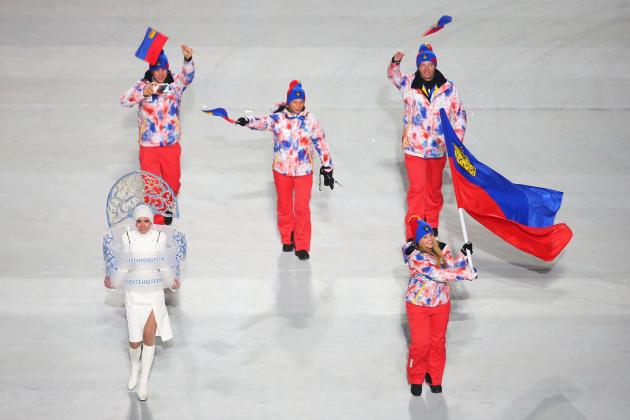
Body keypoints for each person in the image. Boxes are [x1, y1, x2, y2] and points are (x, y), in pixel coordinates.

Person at [234, 80, 334, 260]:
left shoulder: (311, 120)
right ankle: (287, 238)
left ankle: (302, 244)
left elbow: (321, 142)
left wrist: (328, 167)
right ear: (288, 102)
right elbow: (262, 122)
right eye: (295, 101)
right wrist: (247, 121)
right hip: (282, 170)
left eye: (301, 101)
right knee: (284, 205)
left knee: (302, 208)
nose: (298, 104)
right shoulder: (278, 119)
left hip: (303, 171)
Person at [388, 43, 467, 240]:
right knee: (417, 190)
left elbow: (460, 115)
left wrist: (455, 140)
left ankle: (431, 224)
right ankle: (414, 230)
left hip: (438, 149)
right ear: (418, 66)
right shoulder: (408, 83)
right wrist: (395, 61)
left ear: (435, 65)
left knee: (433, 190)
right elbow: (393, 75)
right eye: (422, 64)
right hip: (414, 149)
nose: (426, 68)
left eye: (430, 64)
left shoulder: (448, 89)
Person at [104, 204, 180, 401]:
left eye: (147, 221)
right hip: (134, 295)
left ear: (152, 221)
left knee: (149, 338)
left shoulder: (159, 237)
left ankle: (144, 380)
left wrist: (172, 282)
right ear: (134, 221)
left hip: (154, 293)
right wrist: (112, 282)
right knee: (134, 341)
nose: (143, 225)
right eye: (139, 221)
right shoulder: (127, 237)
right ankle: (135, 367)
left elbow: (164, 263)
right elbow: (123, 266)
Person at [120, 45, 195, 225]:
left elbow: (188, 77)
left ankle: (168, 205)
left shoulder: (174, 85)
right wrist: (142, 93)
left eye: (163, 69)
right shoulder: (143, 85)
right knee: (152, 188)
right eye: (156, 69)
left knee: (173, 184)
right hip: (148, 147)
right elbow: (124, 100)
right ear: (151, 70)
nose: (160, 73)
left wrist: (187, 59)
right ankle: (159, 223)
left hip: (170, 146)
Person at [402, 216, 475, 396]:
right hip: (418, 305)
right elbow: (438, 274)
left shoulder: (440, 250)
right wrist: (466, 275)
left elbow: (452, 266)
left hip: (441, 304)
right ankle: (416, 377)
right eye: (425, 237)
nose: (429, 239)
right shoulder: (415, 256)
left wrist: (464, 256)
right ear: (417, 239)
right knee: (421, 343)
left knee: (438, 343)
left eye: (431, 235)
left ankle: (435, 377)